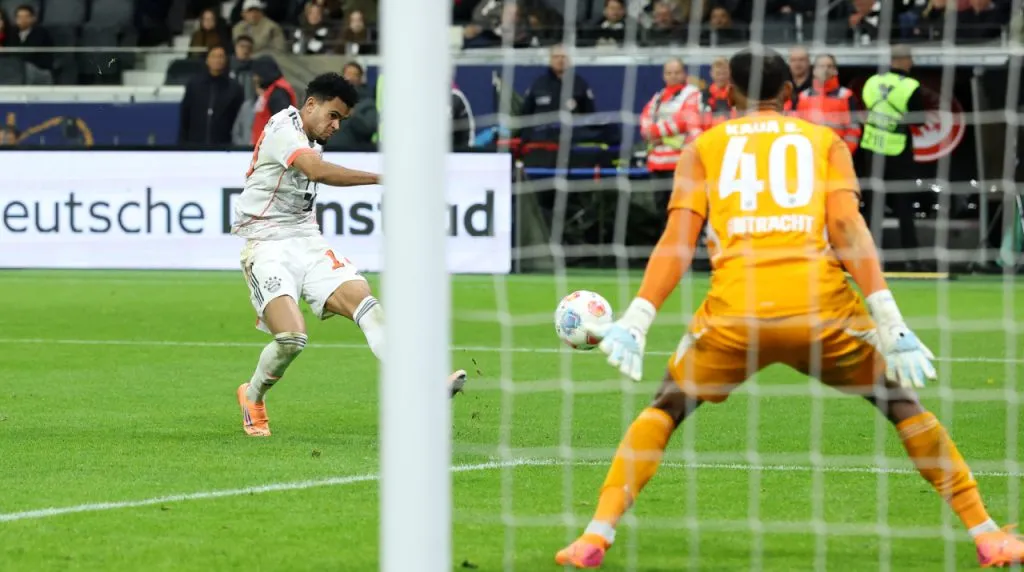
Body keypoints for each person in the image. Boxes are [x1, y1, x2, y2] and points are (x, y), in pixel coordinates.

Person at [554, 47, 1024, 569]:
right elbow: (848, 229)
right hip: (822, 311)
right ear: (790, 94)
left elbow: (676, 242)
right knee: (900, 404)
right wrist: (891, 321)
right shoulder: (823, 141)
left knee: (665, 408)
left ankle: (595, 536)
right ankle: (986, 534)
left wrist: (638, 318)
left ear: (727, 94)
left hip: (735, 314)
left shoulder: (704, 145)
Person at [231, 72, 467, 437]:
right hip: (266, 246)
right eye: (333, 115)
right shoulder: (283, 127)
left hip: (307, 241)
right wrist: (380, 177)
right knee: (292, 338)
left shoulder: (312, 139)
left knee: (366, 303)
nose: (336, 125)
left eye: (342, 119)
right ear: (310, 105)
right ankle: (253, 396)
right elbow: (315, 171)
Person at [859, 45, 925, 271]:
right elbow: (919, 119)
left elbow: (867, 107)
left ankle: (866, 260)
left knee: (871, 210)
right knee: (904, 209)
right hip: (898, 153)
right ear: (905, 60)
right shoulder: (910, 86)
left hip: (871, 151)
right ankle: (912, 260)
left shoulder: (871, 82)